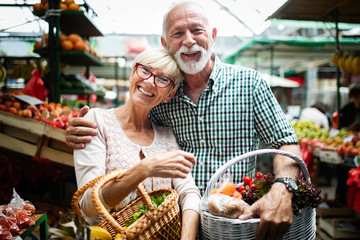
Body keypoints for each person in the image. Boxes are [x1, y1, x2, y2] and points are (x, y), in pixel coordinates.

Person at [67, 2, 302, 239]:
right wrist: (78, 128)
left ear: (213, 36)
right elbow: (126, 125)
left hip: (234, 224)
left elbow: (285, 141)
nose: (189, 40)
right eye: (178, 33)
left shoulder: (248, 84)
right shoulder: (161, 101)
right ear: (165, 43)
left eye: (197, 30)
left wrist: (283, 188)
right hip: (170, 227)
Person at [74, 48, 200, 240]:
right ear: (132, 74)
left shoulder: (166, 136)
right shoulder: (96, 122)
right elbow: (88, 205)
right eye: (145, 70)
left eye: (163, 79)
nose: (150, 81)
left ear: (169, 94)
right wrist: (144, 169)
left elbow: (189, 192)